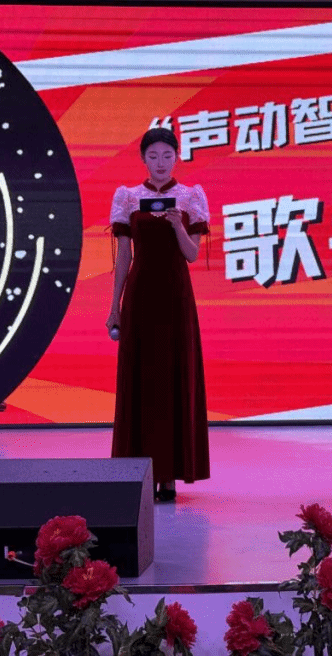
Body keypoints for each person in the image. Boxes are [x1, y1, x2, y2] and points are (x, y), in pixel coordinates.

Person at [107, 127, 210, 502]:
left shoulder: (190, 197)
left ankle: (170, 477)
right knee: (142, 382)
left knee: (173, 380)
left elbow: (192, 255)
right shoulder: (128, 197)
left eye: (167, 155)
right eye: (153, 156)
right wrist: (114, 306)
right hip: (140, 298)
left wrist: (177, 224)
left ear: (177, 157)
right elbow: (124, 257)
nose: (161, 162)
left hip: (176, 299)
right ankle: (142, 473)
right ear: (143, 159)